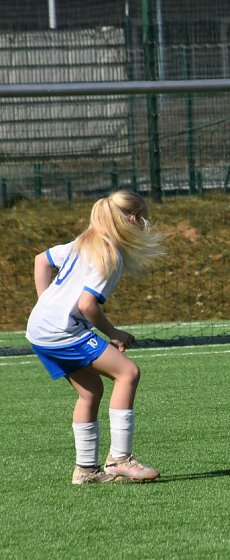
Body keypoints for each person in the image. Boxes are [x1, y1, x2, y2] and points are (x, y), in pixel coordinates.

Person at [26, 190, 164, 484]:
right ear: (131, 218)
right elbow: (88, 305)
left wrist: (46, 304)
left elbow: (41, 260)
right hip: (61, 331)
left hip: (39, 329)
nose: (145, 225)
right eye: (143, 218)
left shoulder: (83, 242)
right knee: (128, 372)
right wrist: (114, 333)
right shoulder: (110, 255)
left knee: (90, 392)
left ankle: (86, 471)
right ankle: (119, 460)